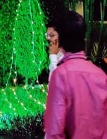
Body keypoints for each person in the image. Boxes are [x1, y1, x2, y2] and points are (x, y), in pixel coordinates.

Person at [44, 10, 107, 139]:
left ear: (61, 41)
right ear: (84, 40)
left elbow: (54, 131)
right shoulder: (101, 76)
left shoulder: (60, 75)